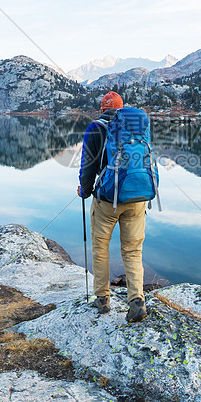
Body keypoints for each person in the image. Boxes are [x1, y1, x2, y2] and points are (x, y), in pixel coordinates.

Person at [77, 91, 148, 322]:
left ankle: (102, 299)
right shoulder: (136, 125)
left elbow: (88, 168)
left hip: (108, 199)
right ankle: (137, 301)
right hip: (137, 197)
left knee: (101, 248)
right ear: (122, 108)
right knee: (133, 251)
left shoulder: (95, 128)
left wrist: (85, 191)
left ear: (102, 110)